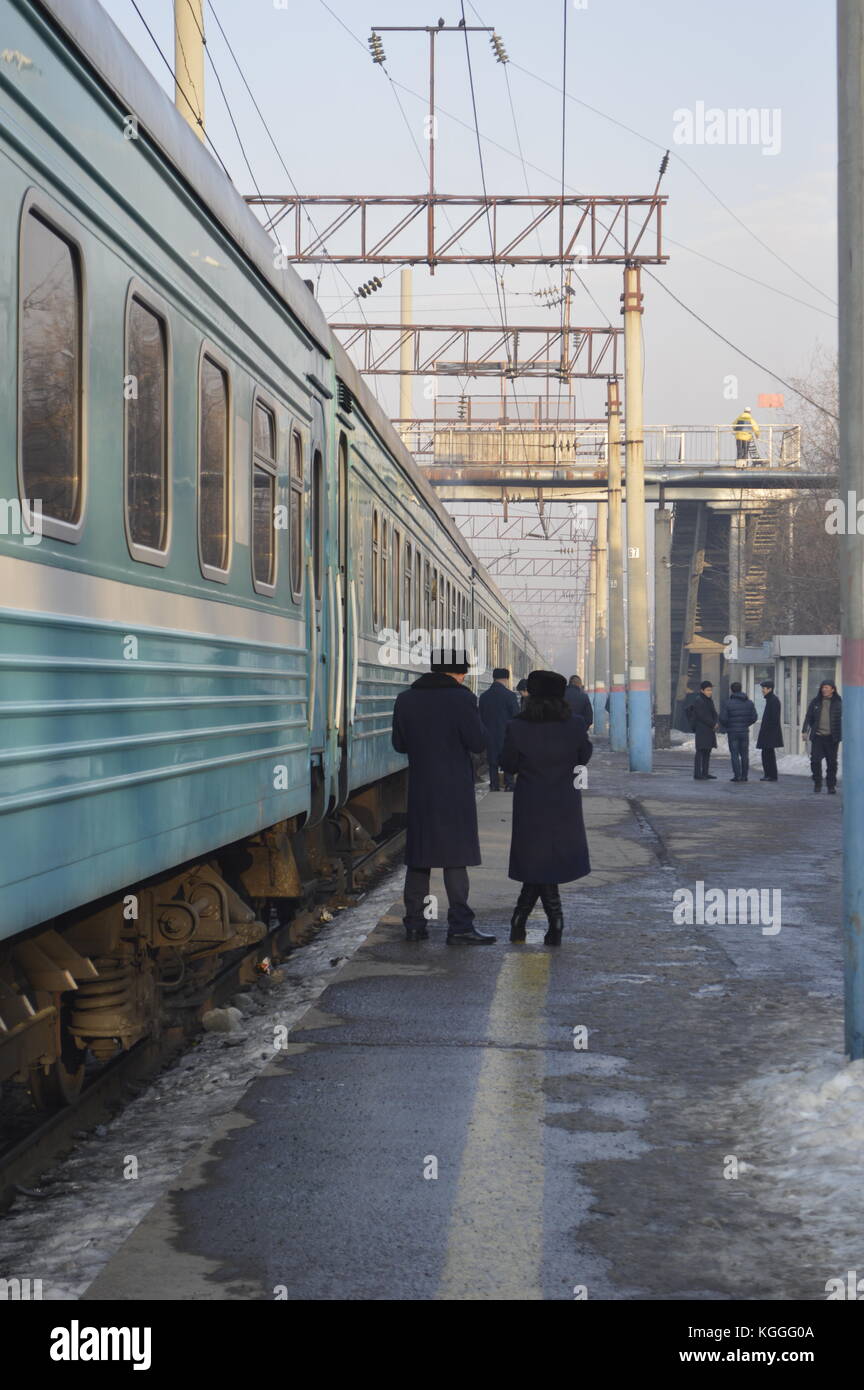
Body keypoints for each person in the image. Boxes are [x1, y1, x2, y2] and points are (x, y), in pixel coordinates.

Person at [392, 649, 496, 944]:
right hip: (453, 789)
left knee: (419, 859)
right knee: (455, 858)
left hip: (421, 788)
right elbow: (477, 743)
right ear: (456, 673)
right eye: (463, 672)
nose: (464, 678)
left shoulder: (406, 699)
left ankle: (414, 924)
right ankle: (460, 926)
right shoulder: (462, 699)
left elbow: (399, 744)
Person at [500, 670, 592, 947]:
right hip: (564, 802)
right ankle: (555, 921)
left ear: (531, 694)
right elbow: (583, 758)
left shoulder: (517, 726)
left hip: (531, 803)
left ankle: (521, 920)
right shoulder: (574, 724)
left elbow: (509, 764)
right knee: (548, 863)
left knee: (536, 862)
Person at [478, 667, 521, 791]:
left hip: (489, 734)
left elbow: (480, 716)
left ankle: (494, 785)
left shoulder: (484, 696)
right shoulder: (510, 696)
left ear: (493, 678)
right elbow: (516, 716)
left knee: (492, 762)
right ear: (506, 679)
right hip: (506, 735)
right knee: (507, 760)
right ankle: (509, 784)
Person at [802, 680, 842, 794]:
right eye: (823, 687)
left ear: (833, 689)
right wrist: (804, 731)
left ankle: (831, 786)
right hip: (818, 737)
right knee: (814, 761)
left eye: (827, 687)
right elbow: (808, 717)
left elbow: (844, 719)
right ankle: (817, 782)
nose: (824, 689)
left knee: (832, 763)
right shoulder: (816, 702)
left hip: (832, 737)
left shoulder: (838, 702)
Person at [718, 681, 758, 782]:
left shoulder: (727, 703)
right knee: (744, 754)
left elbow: (723, 718)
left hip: (732, 732)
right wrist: (746, 724)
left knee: (734, 754)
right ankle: (744, 776)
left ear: (732, 690)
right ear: (741, 689)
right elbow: (754, 717)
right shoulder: (749, 703)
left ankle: (737, 775)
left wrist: (728, 725)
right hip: (744, 731)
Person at [685, 680, 718, 780]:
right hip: (702, 729)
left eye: (711, 690)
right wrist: (713, 723)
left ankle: (705, 772)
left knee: (707, 751)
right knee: (700, 752)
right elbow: (702, 716)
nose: (710, 692)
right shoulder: (699, 700)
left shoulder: (709, 700)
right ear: (702, 690)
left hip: (709, 729)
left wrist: (715, 722)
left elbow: (714, 713)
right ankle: (698, 774)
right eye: (708, 690)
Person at [756, 680, 783, 781]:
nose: (762, 690)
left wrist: (768, 731)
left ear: (770, 689)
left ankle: (771, 775)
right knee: (766, 754)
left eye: (764, 688)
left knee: (768, 755)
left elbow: (774, 718)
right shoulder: (770, 700)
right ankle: (769, 774)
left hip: (770, 733)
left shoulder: (773, 700)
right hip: (768, 732)